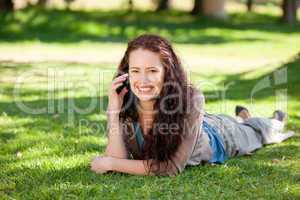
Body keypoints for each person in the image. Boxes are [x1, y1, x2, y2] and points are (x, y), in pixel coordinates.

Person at [90, 34, 295, 176]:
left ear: (167, 72)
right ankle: (242, 116)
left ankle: (274, 120)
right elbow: (120, 157)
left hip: (221, 137)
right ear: (127, 73)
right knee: (239, 122)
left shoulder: (192, 98)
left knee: (259, 131)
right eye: (135, 70)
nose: (142, 80)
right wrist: (113, 112)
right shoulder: (126, 100)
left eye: (152, 71)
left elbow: (171, 167)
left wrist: (110, 163)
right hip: (201, 125)